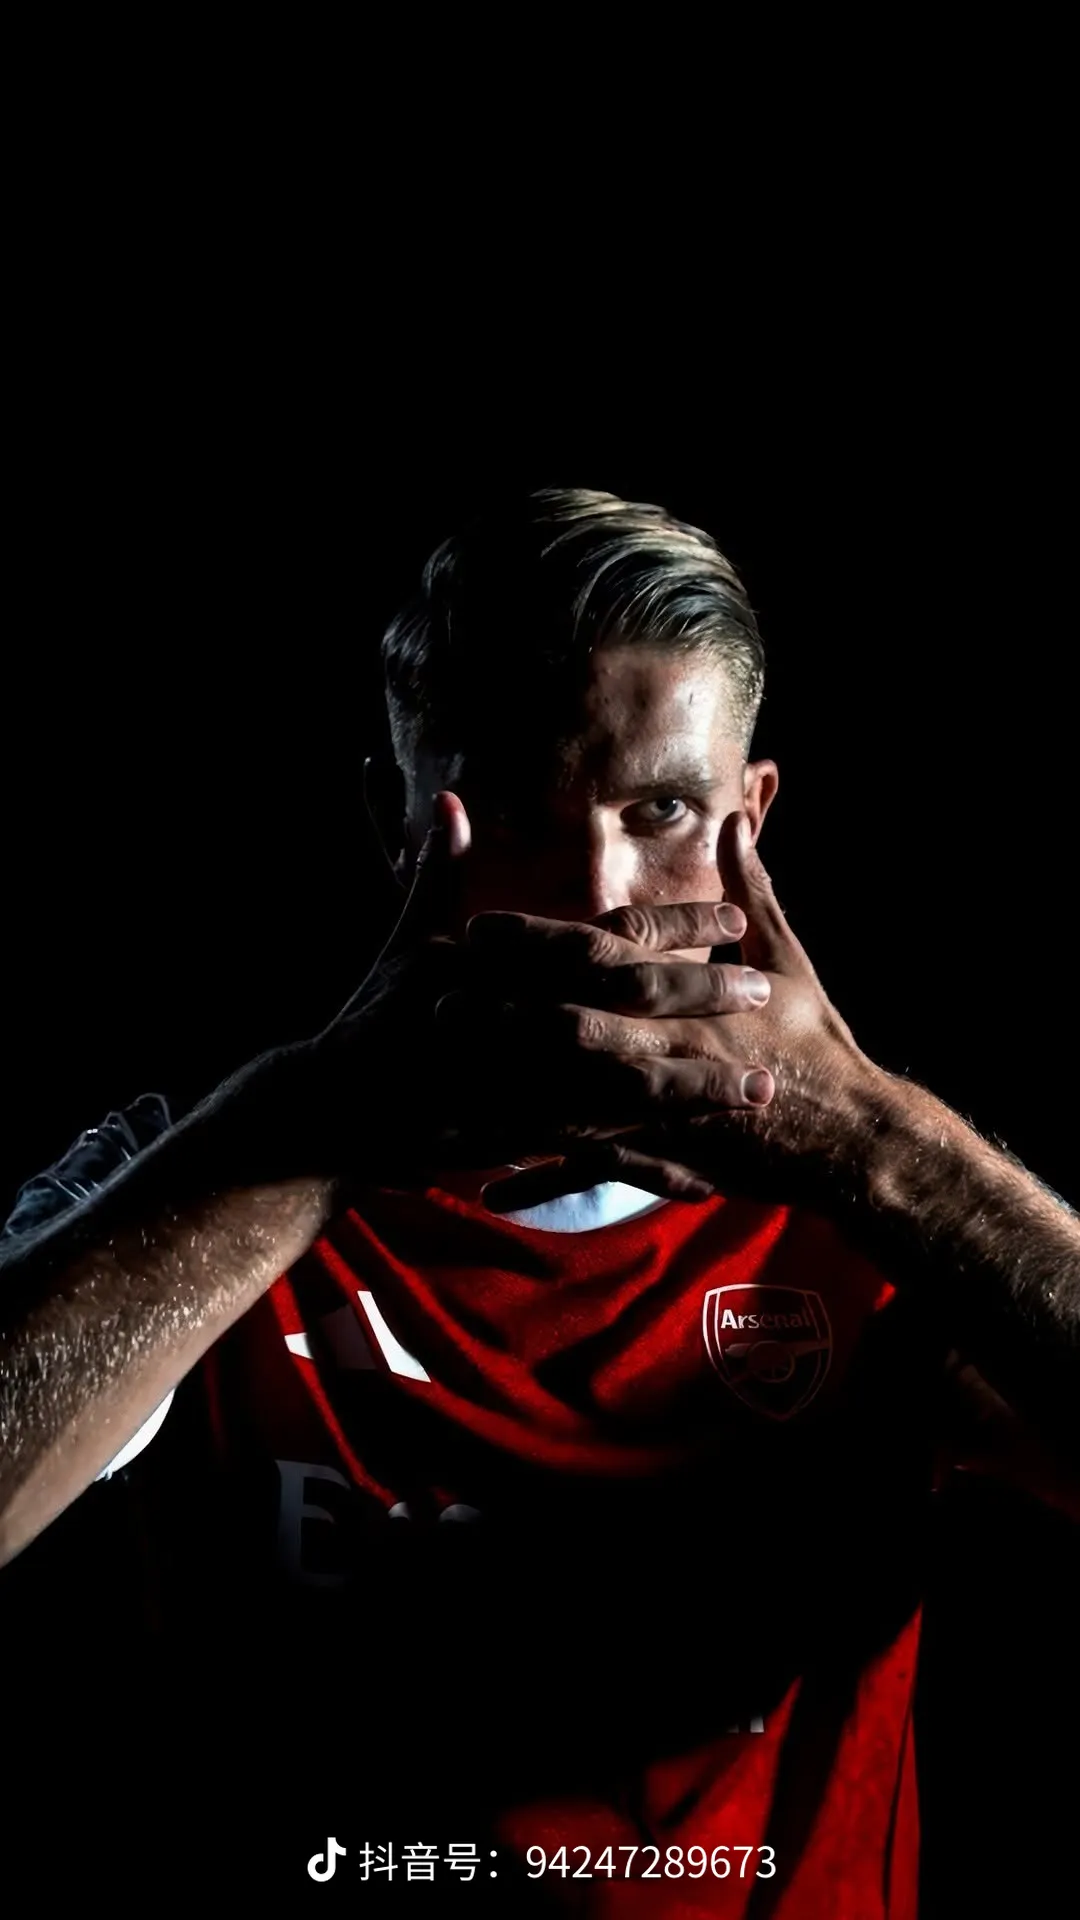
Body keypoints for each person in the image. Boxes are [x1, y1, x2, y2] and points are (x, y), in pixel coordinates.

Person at [0, 487, 1076, 1916]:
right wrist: (307, 1135)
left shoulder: (879, 1217)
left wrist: (875, 1140)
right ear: (396, 822)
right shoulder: (188, 1183)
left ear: (753, 817)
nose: (595, 893)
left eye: (664, 810)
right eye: (509, 806)